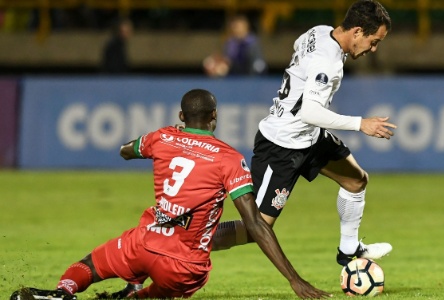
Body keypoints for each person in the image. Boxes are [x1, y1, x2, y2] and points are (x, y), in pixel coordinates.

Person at [10, 89, 331, 300]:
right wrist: (294, 279)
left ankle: (63, 292)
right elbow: (258, 226)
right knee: (161, 290)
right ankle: (134, 294)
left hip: (144, 242)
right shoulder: (230, 159)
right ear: (214, 117)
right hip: (185, 265)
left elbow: (125, 150)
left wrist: (152, 144)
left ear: (182, 117)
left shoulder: (163, 137)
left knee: (90, 265)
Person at [210, 0, 396, 266]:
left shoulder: (320, 31)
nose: (374, 49)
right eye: (373, 41)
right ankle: (189, 242)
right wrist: (361, 124)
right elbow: (309, 112)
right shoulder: (327, 63)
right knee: (256, 229)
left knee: (356, 180)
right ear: (356, 32)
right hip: (281, 144)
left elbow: (299, 45)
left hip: (309, 137)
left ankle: (349, 251)